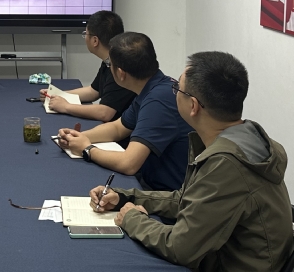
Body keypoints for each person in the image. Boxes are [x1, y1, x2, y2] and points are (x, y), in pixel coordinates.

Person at [88, 52, 294, 272]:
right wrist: (127, 198)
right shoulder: (241, 138)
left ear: (193, 106)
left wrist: (132, 219)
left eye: (177, 88)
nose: (173, 91)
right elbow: (187, 200)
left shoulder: (227, 164)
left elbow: (181, 248)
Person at [57, 32, 192, 191]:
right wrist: (79, 137)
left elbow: (128, 164)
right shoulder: (154, 87)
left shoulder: (158, 101)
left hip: (166, 193)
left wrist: (87, 149)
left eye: (110, 64)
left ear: (121, 73)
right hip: (154, 181)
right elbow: (117, 128)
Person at [40, 10, 135, 121]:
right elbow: (93, 91)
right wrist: (58, 95)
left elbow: (105, 113)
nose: (85, 37)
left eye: (86, 34)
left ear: (95, 41)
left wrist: (66, 106)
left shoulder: (120, 67)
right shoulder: (109, 59)